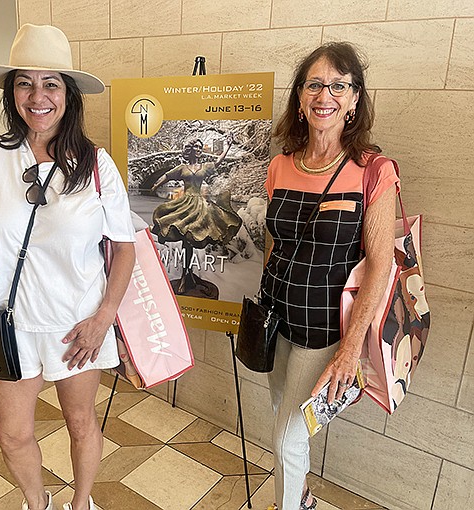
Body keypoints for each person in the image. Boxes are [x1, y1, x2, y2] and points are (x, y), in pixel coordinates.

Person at [0, 24, 135, 510]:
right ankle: (40, 503)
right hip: (8, 322)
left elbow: (124, 248)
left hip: (78, 321)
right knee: (11, 435)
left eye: (51, 83)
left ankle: (82, 503)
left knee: (80, 422)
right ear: (11, 94)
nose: (38, 96)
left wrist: (104, 318)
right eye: (24, 83)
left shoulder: (97, 164)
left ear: (69, 96)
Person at [260, 42, 399, 510]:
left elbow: (381, 263)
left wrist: (350, 350)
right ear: (300, 98)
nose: (326, 95)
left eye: (340, 85)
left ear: (356, 99)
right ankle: (301, 494)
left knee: (286, 438)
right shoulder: (281, 164)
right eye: (315, 84)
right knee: (282, 414)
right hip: (276, 319)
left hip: (323, 330)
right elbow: (274, 242)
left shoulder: (373, 171)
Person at [150, 136, 241, 298]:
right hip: (184, 204)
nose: (198, 151)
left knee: (194, 236)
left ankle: (188, 275)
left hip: (199, 204)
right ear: (189, 151)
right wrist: (156, 185)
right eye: (195, 148)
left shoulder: (204, 167)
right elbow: (167, 176)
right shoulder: (182, 168)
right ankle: (186, 274)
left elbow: (219, 162)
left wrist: (227, 147)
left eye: (200, 148)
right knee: (183, 235)